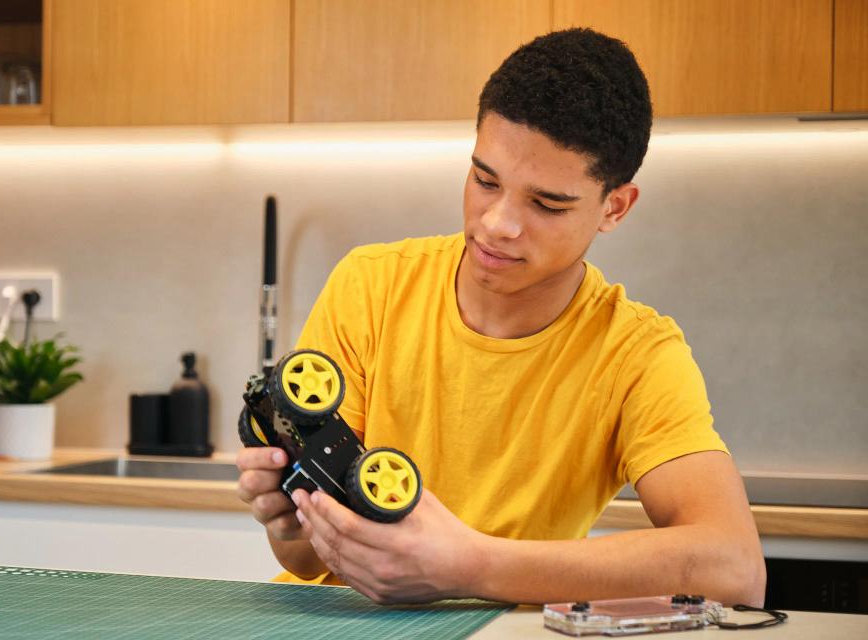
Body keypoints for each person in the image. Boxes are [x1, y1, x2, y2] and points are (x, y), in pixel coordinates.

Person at [237, 28, 766, 606]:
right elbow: (305, 559)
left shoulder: (637, 354)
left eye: (546, 204)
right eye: (485, 181)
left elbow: (735, 568)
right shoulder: (370, 286)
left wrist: (469, 566)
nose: (497, 224)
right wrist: (289, 520)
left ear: (614, 207)